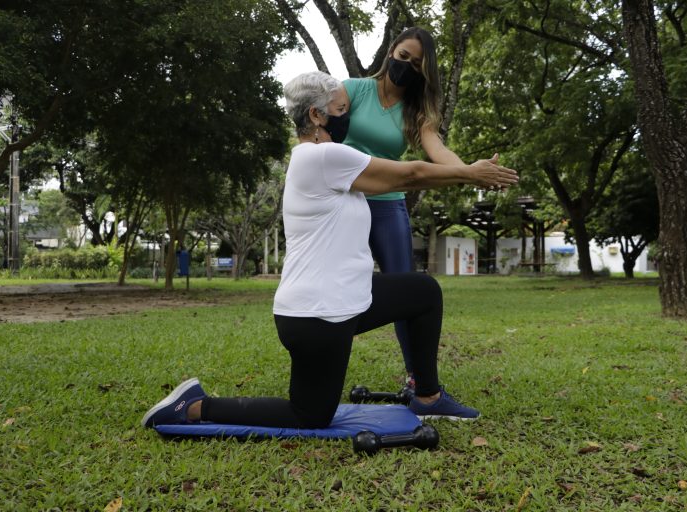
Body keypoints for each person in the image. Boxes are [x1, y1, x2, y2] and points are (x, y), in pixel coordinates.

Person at [141, 71, 518, 431]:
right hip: (320, 315)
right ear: (315, 115)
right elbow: (411, 174)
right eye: (341, 111)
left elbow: (396, 177)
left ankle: (427, 396)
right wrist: (471, 173)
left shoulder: (327, 161)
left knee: (418, 296)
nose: (348, 117)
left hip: (334, 303)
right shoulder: (322, 158)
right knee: (312, 411)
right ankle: (193, 406)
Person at [343, 27, 495, 397]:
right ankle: (323, 366)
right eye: (403, 56)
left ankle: (418, 378)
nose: (406, 65)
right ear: (391, 52)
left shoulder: (417, 110)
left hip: (387, 205)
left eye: (416, 63)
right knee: (337, 285)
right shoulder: (353, 89)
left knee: (404, 290)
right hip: (344, 202)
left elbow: (437, 150)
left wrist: (468, 170)